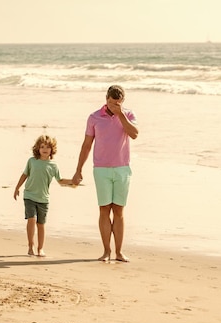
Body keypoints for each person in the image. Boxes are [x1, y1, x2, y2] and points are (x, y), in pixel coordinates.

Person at [72, 85, 139, 262]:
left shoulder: (129, 115)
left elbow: (134, 134)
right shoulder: (94, 117)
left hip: (122, 168)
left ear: (122, 101)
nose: (112, 106)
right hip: (101, 169)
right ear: (106, 99)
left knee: (119, 211)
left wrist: (121, 115)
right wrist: (78, 170)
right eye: (110, 102)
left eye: (116, 103)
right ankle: (106, 251)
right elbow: (86, 145)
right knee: (104, 209)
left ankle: (118, 252)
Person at [14, 135, 73, 257]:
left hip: (43, 199)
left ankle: (40, 248)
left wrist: (73, 181)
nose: (45, 149)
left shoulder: (53, 165)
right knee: (32, 219)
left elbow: (60, 181)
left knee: (41, 224)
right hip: (29, 195)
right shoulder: (32, 161)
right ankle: (31, 246)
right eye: (42, 147)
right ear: (38, 149)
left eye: (47, 147)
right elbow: (24, 175)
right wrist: (17, 188)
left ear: (52, 149)